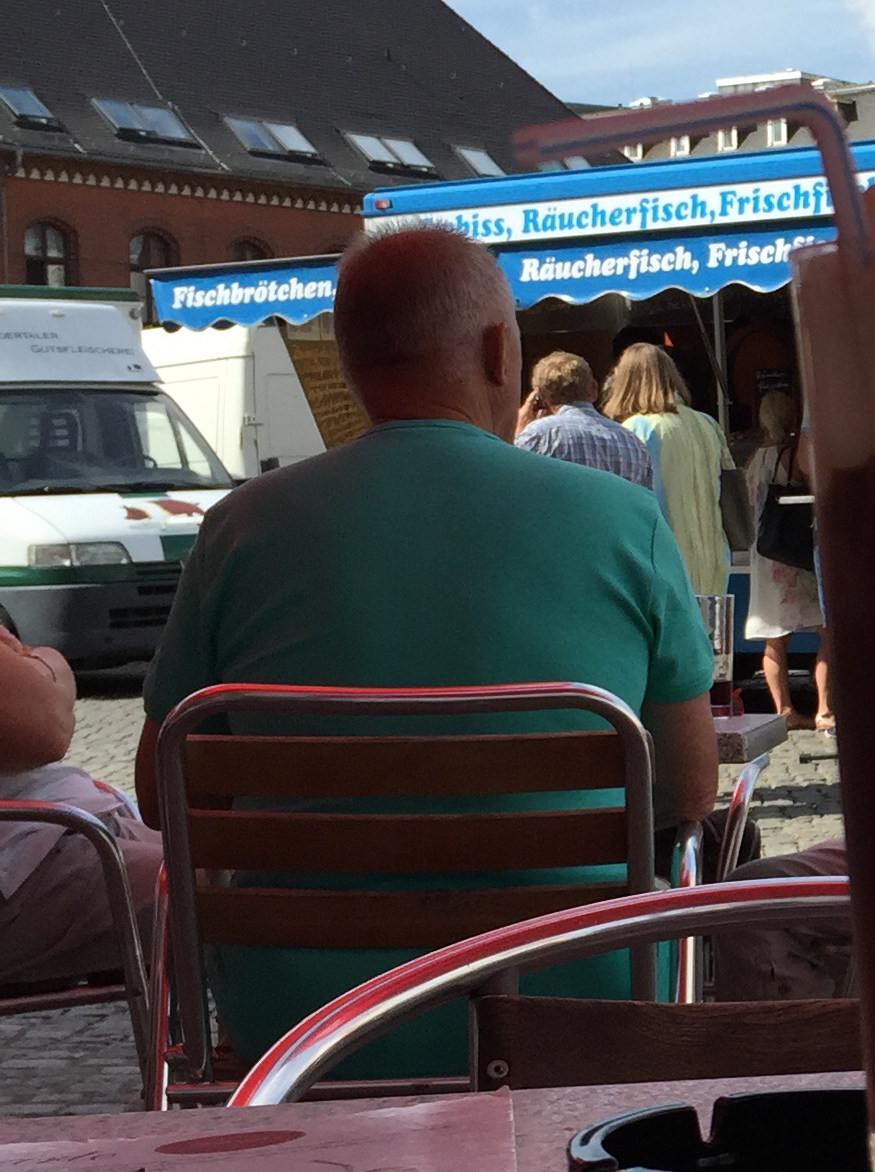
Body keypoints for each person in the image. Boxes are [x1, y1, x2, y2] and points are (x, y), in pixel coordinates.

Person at [137, 227, 715, 1077]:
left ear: (349, 364)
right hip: (578, 989)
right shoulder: (621, 518)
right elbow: (691, 788)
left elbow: (164, 794)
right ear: (498, 351)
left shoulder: (238, 530)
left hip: (306, 1021)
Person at [0, 623, 157, 994]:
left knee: (225, 864)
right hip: (24, 861)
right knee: (232, 884)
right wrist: (45, 664)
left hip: (47, 841)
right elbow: (44, 726)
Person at [603, 342, 735, 604]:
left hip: (661, 562)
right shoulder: (707, 423)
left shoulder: (635, 429)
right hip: (713, 559)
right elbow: (728, 484)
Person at [740, 392, 830, 732]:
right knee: (827, 635)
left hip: (767, 557)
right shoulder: (795, 456)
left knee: (775, 641)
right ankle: (824, 710)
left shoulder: (754, 460)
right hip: (799, 557)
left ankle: (785, 711)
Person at [516, 349, 661, 498]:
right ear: (594, 389)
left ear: (540, 397)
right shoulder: (633, 443)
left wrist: (517, 433)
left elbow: (512, 486)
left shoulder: (537, 436)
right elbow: (647, 504)